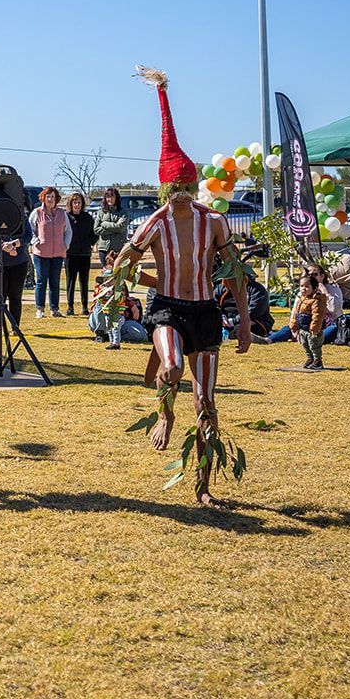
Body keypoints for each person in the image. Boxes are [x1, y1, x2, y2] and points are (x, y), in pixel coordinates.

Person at [107, 67, 251, 507]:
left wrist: (243, 321)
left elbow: (233, 273)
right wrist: (121, 289)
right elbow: (122, 263)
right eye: (177, 188)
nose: (184, 194)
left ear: (195, 186)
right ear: (166, 189)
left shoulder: (215, 222)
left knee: (207, 402)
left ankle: (204, 487)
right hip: (168, 308)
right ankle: (165, 414)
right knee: (169, 370)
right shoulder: (155, 222)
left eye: (189, 186)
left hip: (206, 312)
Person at [29, 186, 71, 319]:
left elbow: (68, 231)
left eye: (53, 196)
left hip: (58, 253)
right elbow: (30, 229)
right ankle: (40, 309)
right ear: (43, 198)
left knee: (55, 282)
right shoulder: (37, 212)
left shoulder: (62, 213)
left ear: (56, 199)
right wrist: (36, 242)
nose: (50, 199)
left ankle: (55, 308)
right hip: (41, 253)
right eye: (48, 196)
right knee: (41, 281)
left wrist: (65, 245)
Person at [64, 192, 96, 316]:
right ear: (70, 204)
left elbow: (94, 234)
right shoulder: (66, 217)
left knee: (84, 281)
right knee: (70, 281)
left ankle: (84, 307)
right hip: (70, 254)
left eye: (79, 202)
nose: (77, 205)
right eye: (74, 202)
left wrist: (90, 243)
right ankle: (70, 307)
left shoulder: (88, 218)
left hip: (84, 255)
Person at [291, 270, 330, 370]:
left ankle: (318, 360)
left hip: (313, 330)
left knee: (314, 345)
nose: (303, 289)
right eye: (301, 286)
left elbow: (317, 315)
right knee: (305, 344)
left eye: (307, 286)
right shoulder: (302, 299)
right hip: (303, 328)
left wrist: (315, 328)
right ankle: (310, 358)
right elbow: (296, 313)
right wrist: (294, 325)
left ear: (315, 288)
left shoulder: (316, 301)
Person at [93, 187, 130, 267]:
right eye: (107, 197)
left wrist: (104, 224)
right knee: (105, 274)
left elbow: (120, 228)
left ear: (116, 198)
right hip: (103, 248)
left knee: (118, 275)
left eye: (112, 196)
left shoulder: (123, 212)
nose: (110, 199)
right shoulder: (100, 212)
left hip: (118, 248)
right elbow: (96, 230)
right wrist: (115, 229)